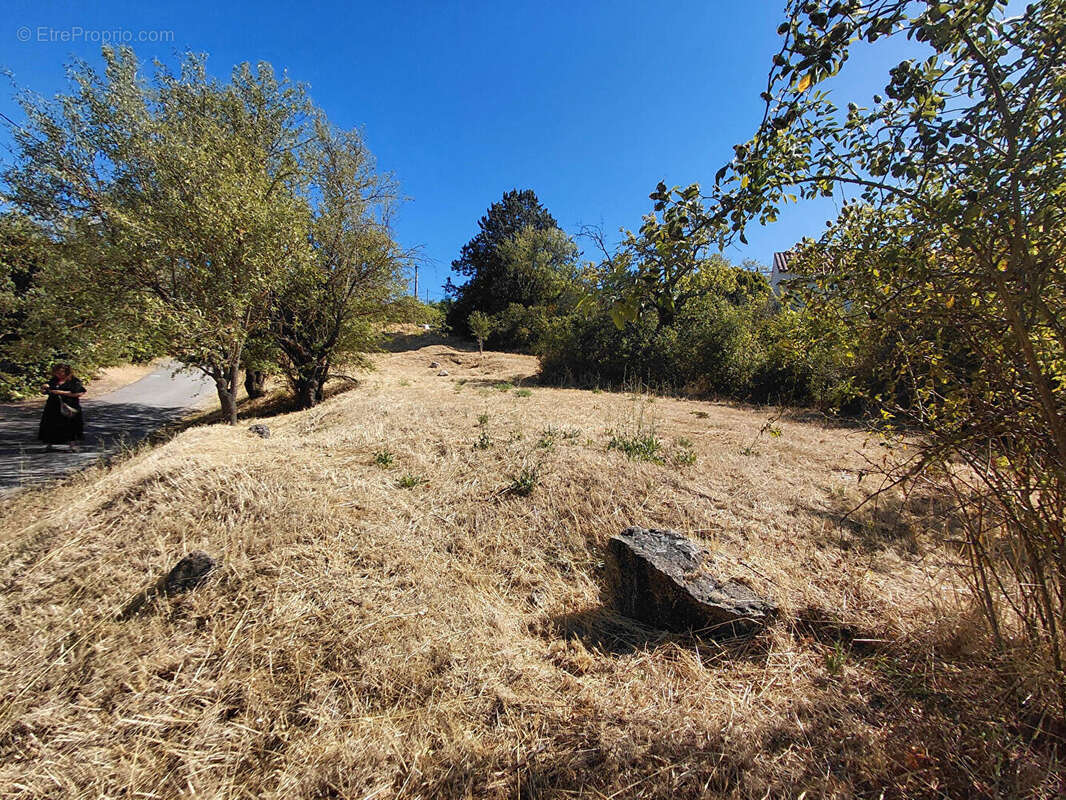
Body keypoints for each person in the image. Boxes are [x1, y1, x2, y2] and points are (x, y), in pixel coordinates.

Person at [38, 364, 86, 452]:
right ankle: (49, 444)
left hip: (70, 406)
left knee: (71, 425)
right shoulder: (53, 381)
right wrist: (44, 388)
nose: (59, 374)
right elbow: (46, 391)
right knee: (50, 424)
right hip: (53, 406)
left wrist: (61, 392)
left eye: (61, 372)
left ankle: (72, 446)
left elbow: (79, 393)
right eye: (57, 372)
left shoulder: (74, 381)